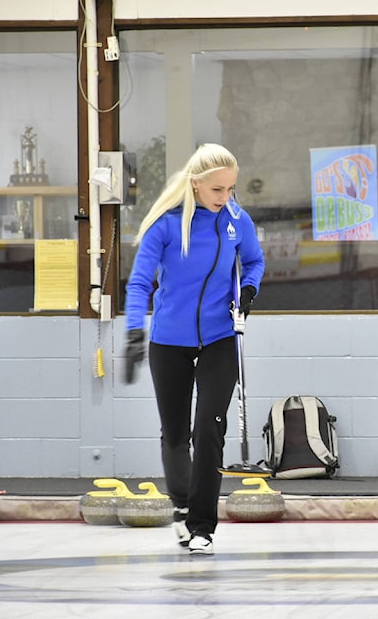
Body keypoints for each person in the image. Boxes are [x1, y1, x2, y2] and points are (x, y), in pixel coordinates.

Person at [123, 143, 265, 556]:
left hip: (221, 337)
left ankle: (203, 525)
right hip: (170, 342)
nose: (226, 199)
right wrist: (135, 332)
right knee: (175, 435)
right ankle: (183, 504)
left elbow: (254, 262)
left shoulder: (237, 220)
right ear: (196, 185)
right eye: (218, 190)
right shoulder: (166, 226)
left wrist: (250, 288)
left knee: (209, 428)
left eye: (231, 189)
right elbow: (138, 283)